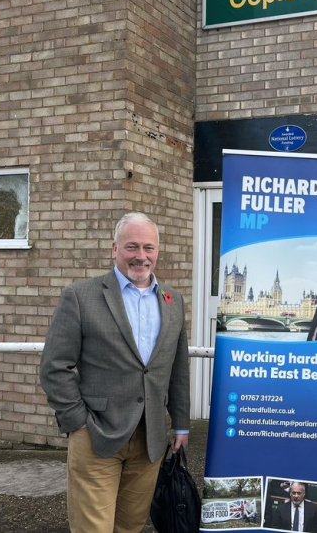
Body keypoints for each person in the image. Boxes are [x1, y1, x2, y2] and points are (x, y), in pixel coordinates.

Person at [40, 212, 191, 533]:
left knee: (131, 526)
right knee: (93, 528)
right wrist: (77, 422)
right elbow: (55, 366)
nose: (141, 256)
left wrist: (180, 424)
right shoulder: (81, 297)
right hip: (96, 435)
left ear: (158, 251)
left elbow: (178, 368)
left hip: (150, 439)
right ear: (114, 248)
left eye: (149, 248)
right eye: (131, 247)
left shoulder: (172, 300)